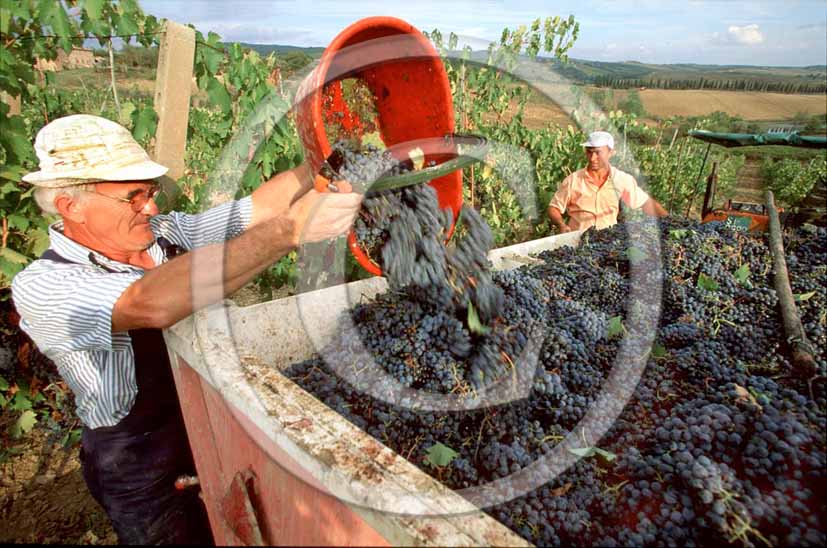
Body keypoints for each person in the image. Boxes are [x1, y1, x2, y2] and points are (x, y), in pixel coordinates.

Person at [11, 114, 362, 544]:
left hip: (208, 427)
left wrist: (329, 164)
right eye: (133, 197)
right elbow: (149, 302)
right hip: (140, 467)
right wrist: (290, 231)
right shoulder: (44, 286)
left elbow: (250, 213)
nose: (152, 208)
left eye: (150, 192)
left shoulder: (161, 234)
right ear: (71, 205)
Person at [547, 130, 667, 233]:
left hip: (607, 242)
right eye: (589, 152)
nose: (593, 158)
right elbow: (554, 208)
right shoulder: (573, 180)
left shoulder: (621, 180)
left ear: (610, 153)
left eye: (598, 152)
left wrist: (671, 222)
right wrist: (561, 224)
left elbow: (645, 203)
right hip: (578, 241)